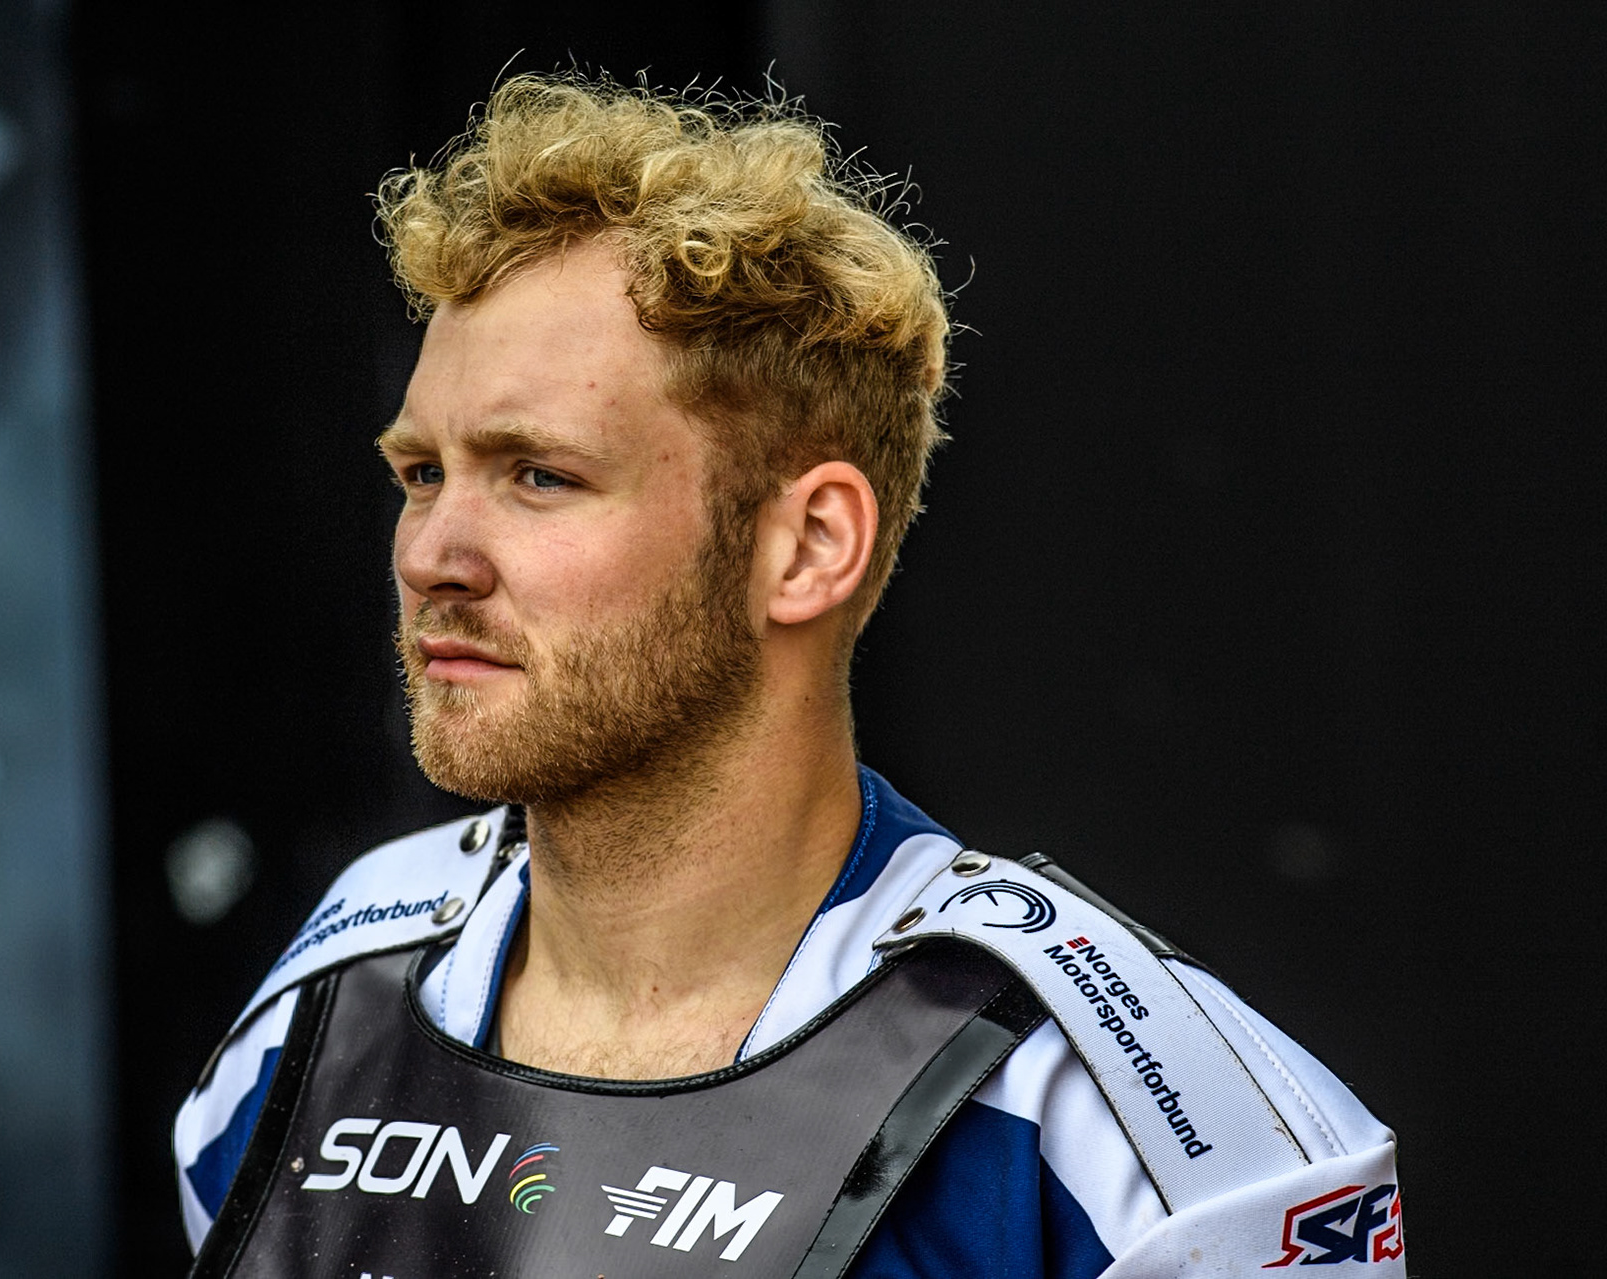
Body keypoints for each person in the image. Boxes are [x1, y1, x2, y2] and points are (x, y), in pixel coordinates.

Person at [174, 73, 1404, 1277]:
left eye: (538, 474)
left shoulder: (1127, 1126)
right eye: (422, 473)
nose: (433, 554)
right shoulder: (330, 994)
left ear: (808, 546)